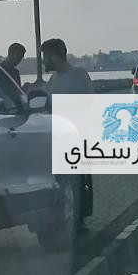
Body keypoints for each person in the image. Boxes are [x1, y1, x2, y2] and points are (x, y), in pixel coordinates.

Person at [40, 38, 94, 229]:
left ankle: (78, 220)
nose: (44, 61)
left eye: (46, 56)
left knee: (77, 181)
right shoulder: (53, 79)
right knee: (61, 180)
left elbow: (87, 100)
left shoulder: (78, 75)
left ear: (55, 56)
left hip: (75, 136)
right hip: (56, 137)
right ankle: (65, 218)